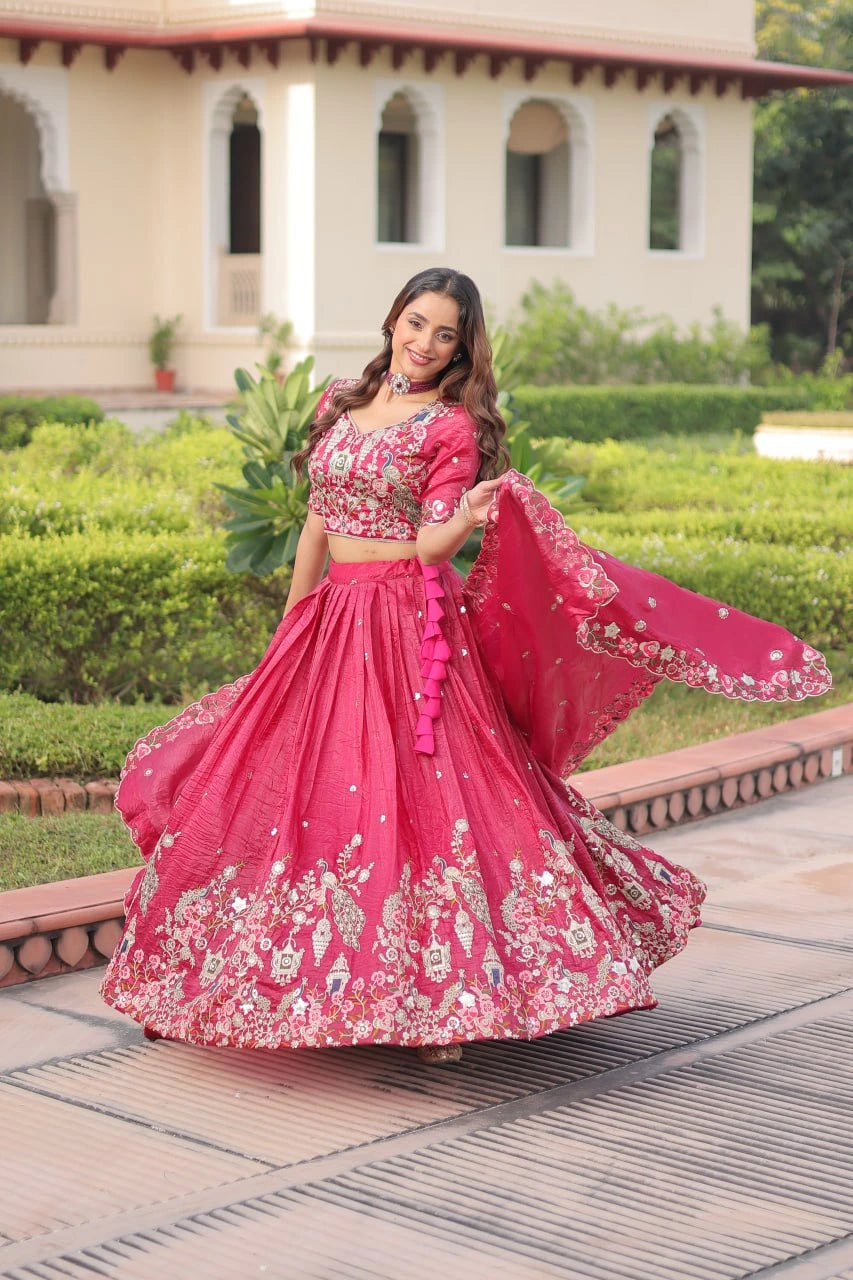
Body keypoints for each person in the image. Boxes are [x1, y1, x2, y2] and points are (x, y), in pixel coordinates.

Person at [100, 267, 831, 1065]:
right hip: (331, 619)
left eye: (443, 333)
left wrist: (474, 508)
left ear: (460, 348)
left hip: (408, 626)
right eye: (415, 323)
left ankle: (442, 1002)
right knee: (293, 793)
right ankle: (231, 980)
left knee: (420, 803)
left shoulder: (448, 428)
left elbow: (427, 544)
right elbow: (316, 521)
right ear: (391, 321)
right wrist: (291, 623)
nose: (422, 343)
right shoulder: (339, 403)